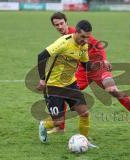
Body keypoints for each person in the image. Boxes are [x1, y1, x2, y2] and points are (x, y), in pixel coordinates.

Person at [41, 12, 130, 135]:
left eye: (61, 23)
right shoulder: (62, 40)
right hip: (83, 71)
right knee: (65, 94)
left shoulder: (78, 32)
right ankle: (61, 127)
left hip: (98, 66)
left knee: (113, 90)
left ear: (66, 22)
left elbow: (98, 45)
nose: (59, 27)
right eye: (56, 25)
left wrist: (104, 59)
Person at [37, 20, 98, 148]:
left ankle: (85, 140)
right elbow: (41, 56)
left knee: (84, 113)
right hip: (54, 86)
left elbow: (85, 64)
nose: (85, 40)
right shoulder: (63, 42)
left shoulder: (83, 46)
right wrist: (42, 79)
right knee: (58, 123)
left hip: (70, 84)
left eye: (87, 37)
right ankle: (44, 124)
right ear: (75, 32)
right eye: (82, 37)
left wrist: (100, 66)